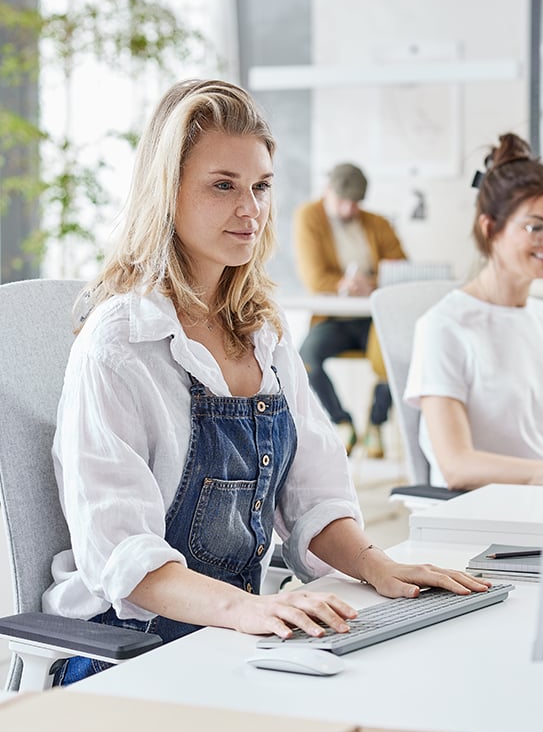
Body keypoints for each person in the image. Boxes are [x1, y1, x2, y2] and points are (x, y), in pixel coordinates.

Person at [44, 79, 489, 686]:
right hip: (122, 651)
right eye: (223, 186)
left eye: (260, 187)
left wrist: (375, 565)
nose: (249, 209)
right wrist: (249, 608)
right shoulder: (119, 343)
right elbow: (122, 556)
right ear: (166, 193)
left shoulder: (263, 334)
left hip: (230, 635)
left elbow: (314, 496)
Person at [405, 133, 543, 491]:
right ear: (490, 228)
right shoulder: (444, 327)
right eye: (537, 226)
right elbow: (457, 465)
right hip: (484, 512)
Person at [293, 163, 406, 458]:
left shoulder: (377, 223)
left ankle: (376, 425)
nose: (349, 209)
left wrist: (370, 283)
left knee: (396, 360)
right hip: (334, 320)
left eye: (355, 203)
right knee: (306, 360)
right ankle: (342, 422)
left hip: (375, 320)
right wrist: (344, 283)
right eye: (343, 201)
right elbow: (314, 278)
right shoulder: (309, 218)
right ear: (327, 190)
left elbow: (401, 269)